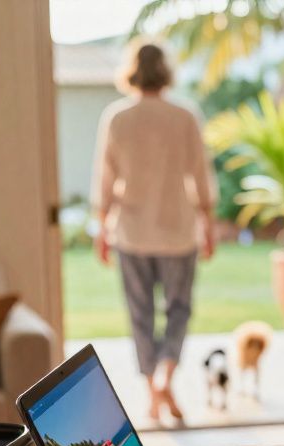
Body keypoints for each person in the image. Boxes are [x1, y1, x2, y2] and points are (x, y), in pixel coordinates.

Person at [92, 41, 217, 422]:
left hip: (131, 233)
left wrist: (102, 227)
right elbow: (200, 175)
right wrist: (208, 223)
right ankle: (165, 375)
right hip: (178, 231)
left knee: (140, 313)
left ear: (132, 71)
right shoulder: (184, 116)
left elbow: (105, 179)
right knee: (179, 310)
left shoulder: (117, 117)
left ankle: (152, 393)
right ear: (165, 72)